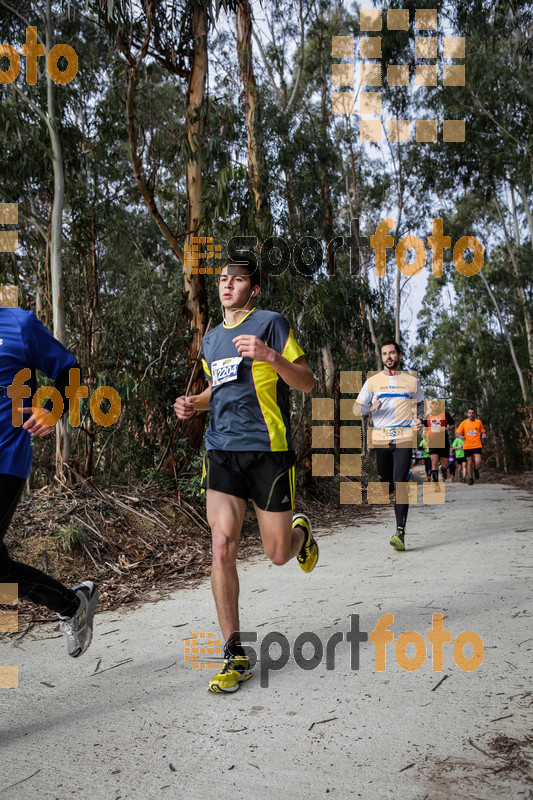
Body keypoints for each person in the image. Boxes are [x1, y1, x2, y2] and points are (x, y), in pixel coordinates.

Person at [173, 259, 316, 693]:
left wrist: (271, 356)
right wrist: (191, 404)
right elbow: (217, 389)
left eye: (236, 279)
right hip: (221, 452)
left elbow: (307, 381)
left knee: (276, 553)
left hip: (267, 451)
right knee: (221, 545)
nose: (226, 285)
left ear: (253, 288)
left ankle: (300, 537)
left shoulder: (271, 323)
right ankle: (234, 654)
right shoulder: (212, 338)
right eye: (221, 279)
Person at [0, 297, 98, 657]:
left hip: (4, 459)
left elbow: (70, 371)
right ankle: (72, 604)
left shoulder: (19, 325)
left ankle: (72, 605)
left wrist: (53, 406)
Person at [354, 340, 424, 552]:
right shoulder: (373, 382)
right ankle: (400, 479)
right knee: (387, 484)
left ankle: (400, 532)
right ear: (382, 357)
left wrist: (420, 419)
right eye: (384, 354)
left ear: (399, 356)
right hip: (382, 439)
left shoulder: (411, 381)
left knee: (400, 483)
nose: (388, 357)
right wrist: (370, 407)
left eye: (392, 353)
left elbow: (421, 403)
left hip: (404, 436)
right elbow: (357, 410)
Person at [424, 399, 455, 483]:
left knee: (445, 464)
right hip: (432, 441)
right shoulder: (427, 416)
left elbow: (453, 425)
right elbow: (425, 427)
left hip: (443, 441)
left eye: (437, 404)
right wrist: (425, 436)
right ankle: (435, 483)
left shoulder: (445, 414)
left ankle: (443, 470)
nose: (435, 406)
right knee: (434, 461)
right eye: (433, 404)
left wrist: (446, 428)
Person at [455, 406, 486, 485]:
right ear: (467, 414)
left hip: (477, 445)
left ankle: (476, 469)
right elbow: (457, 432)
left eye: (472, 413)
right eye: (470, 413)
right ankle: (471, 478)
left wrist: (483, 435)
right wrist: (460, 436)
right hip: (467, 446)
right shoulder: (464, 423)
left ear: (474, 414)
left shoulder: (478, 422)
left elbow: (482, 431)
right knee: (470, 463)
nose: (471, 414)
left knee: (478, 461)